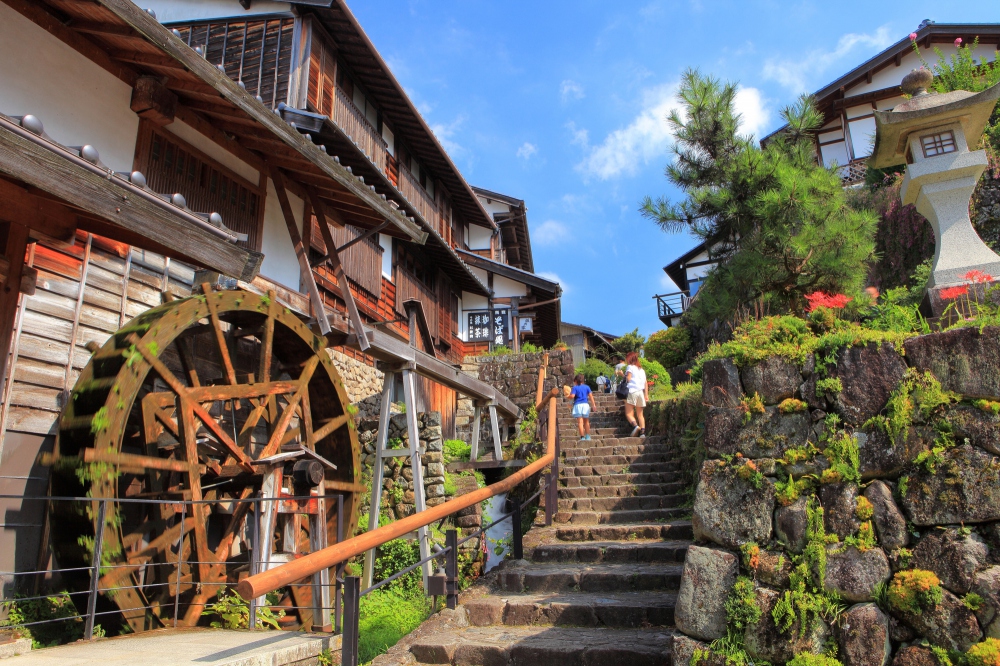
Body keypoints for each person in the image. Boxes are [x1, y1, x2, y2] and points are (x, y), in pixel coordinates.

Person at [624, 351, 648, 438]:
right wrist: (646, 395)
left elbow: (629, 379)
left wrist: (622, 375)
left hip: (632, 391)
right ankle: (642, 433)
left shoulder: (630, 367)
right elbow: (646, 383)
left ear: (629, 359)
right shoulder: (641, 370)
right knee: (640, 415)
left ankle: (635, 426)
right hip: (640, 393)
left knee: (629, 414)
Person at [569, 373, 597, 441]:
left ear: (576, 380)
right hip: (585, 405)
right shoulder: (587, 387)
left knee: (580, 422)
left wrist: (568, 396)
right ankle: (588, 436)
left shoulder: (575, 387)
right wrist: (593, 405)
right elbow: (591, 396)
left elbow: (572, 396)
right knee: (586, 421)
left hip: (578, 405)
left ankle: (582, 437)